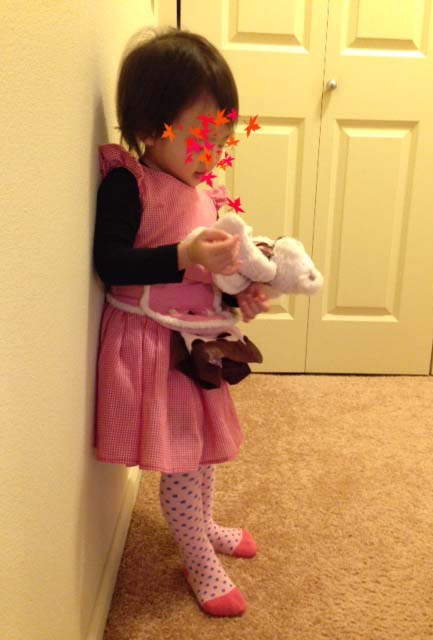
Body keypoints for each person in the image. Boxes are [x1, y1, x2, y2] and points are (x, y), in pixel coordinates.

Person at [93, 27, 269, 618]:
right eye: (200, 140)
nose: (211, 156)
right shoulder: (131, 183)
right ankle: (196, 554)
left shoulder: (207, 194)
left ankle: (204, 525)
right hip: (152, 346)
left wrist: (239, 298)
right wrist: (183, 254)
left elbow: (214, 276)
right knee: (185, 459)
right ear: (150, 128)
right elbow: (111, 262)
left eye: (220, 142)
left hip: (196, 343)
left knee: (204, 451)